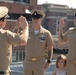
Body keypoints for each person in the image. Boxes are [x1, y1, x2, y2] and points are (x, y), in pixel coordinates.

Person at [23, 9, 54, 75]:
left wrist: (48, 61)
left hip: (39, 62)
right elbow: (18, 40)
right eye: (34, 18)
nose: (35, 20)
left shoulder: (46, 33)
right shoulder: (26, 32)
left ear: (41, 20)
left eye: (37, 19)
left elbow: (50, 49)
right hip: (28, 62)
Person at [0, 6, 29, 75]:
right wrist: (26, 27)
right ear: (1, 21)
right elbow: (23, 41)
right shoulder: (5, 34)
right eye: (5, 19)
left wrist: (16, 31)